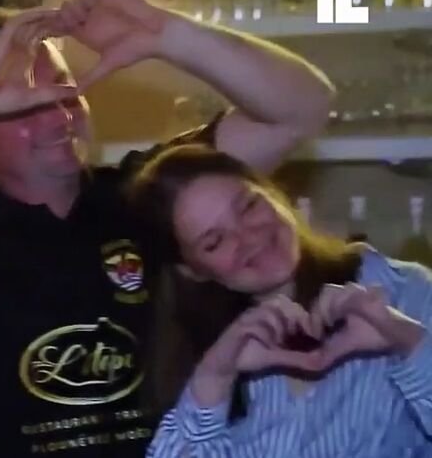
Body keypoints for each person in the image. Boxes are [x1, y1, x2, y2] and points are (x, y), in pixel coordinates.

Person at [0, 0, 335, 458]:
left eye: (65, 91)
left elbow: (299, 109)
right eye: (25, 106)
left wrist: (168, 35)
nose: (58, 118)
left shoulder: (143, 193)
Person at [128, 145, 432, 457]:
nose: (249, 237)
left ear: (273, 193)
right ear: (192, 270)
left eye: (248, 206)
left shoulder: (403, 290)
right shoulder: (200, 356)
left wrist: (408, 340)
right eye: (215, 241)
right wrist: (215, 376)